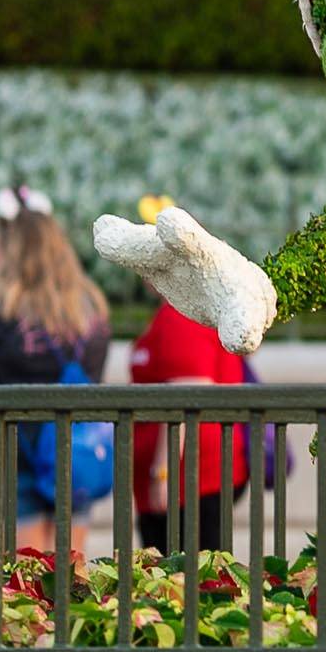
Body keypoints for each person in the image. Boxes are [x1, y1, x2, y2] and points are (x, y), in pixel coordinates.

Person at [0, 185, 111, 559]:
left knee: (15, 593)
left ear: (5, 246)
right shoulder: (91, 309)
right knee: (65, 588)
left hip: (3, 464)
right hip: (73, 460)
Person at [125, 196, 247, 554]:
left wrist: (163, 475)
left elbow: (187, 398)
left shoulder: (182, 317)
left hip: (190, 480)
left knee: (185, 584)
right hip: (192, 477)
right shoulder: (185, 311)